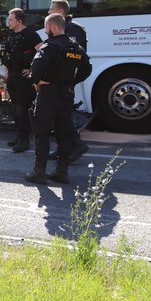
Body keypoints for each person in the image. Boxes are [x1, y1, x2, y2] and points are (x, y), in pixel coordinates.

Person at [25, 13, 92, 184]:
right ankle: (62, 172)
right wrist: (70, 82)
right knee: (64, 134)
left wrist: (37, 80)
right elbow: (87, 69)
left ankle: (38, 172)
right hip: (67, 94)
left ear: (53, 27)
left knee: (42, 133)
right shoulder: (76, 47)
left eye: (46, 27)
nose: (45, 30)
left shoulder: (50, 46)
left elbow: (36, 68)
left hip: (48, 94)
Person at [47, 0, 89, 162]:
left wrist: (70, 80)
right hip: (57, 79)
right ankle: (62, 148)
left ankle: (76, 145)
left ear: (61, 12)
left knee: (63, 117)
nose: (49, 12)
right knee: (58, 117)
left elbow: (74, 57)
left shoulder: (73, 29)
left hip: (64, 81)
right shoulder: (61, 28)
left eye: (52, 9)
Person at [1, 8, 42, 153]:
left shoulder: (30, 34)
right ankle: (19, 137)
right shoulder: (11, 34)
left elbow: (42, 52)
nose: (8, 22)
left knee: (23, 109)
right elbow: (6, 53)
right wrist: (6, 71)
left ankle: (25, 141)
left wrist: (33, 70)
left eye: (11, 19)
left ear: (19, 21)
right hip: (12, 75)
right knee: (16, 108)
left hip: (23, 78)